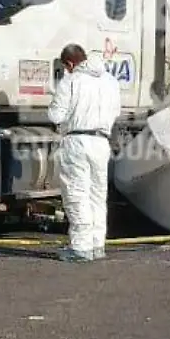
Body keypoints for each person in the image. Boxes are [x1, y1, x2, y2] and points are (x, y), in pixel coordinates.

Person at [47, 42, 122, 261]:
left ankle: (80, 248)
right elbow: (116, 111)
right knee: (98, 195)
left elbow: (56, 116)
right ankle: (97, 245)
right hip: (101, 142)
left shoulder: (70, 81)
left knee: (76, 193)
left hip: (77, 141)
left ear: (70, 63)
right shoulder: (110, 81)